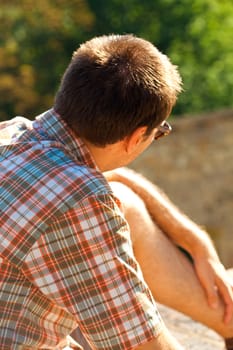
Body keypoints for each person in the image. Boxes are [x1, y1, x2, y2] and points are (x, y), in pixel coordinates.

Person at [0, 34, 232, 350]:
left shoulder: (13, 134)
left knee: (125, 202)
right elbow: (142, 346)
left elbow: (109, 178)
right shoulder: (80, 200)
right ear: (136, 137)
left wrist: (193, 239)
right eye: (160, 132)